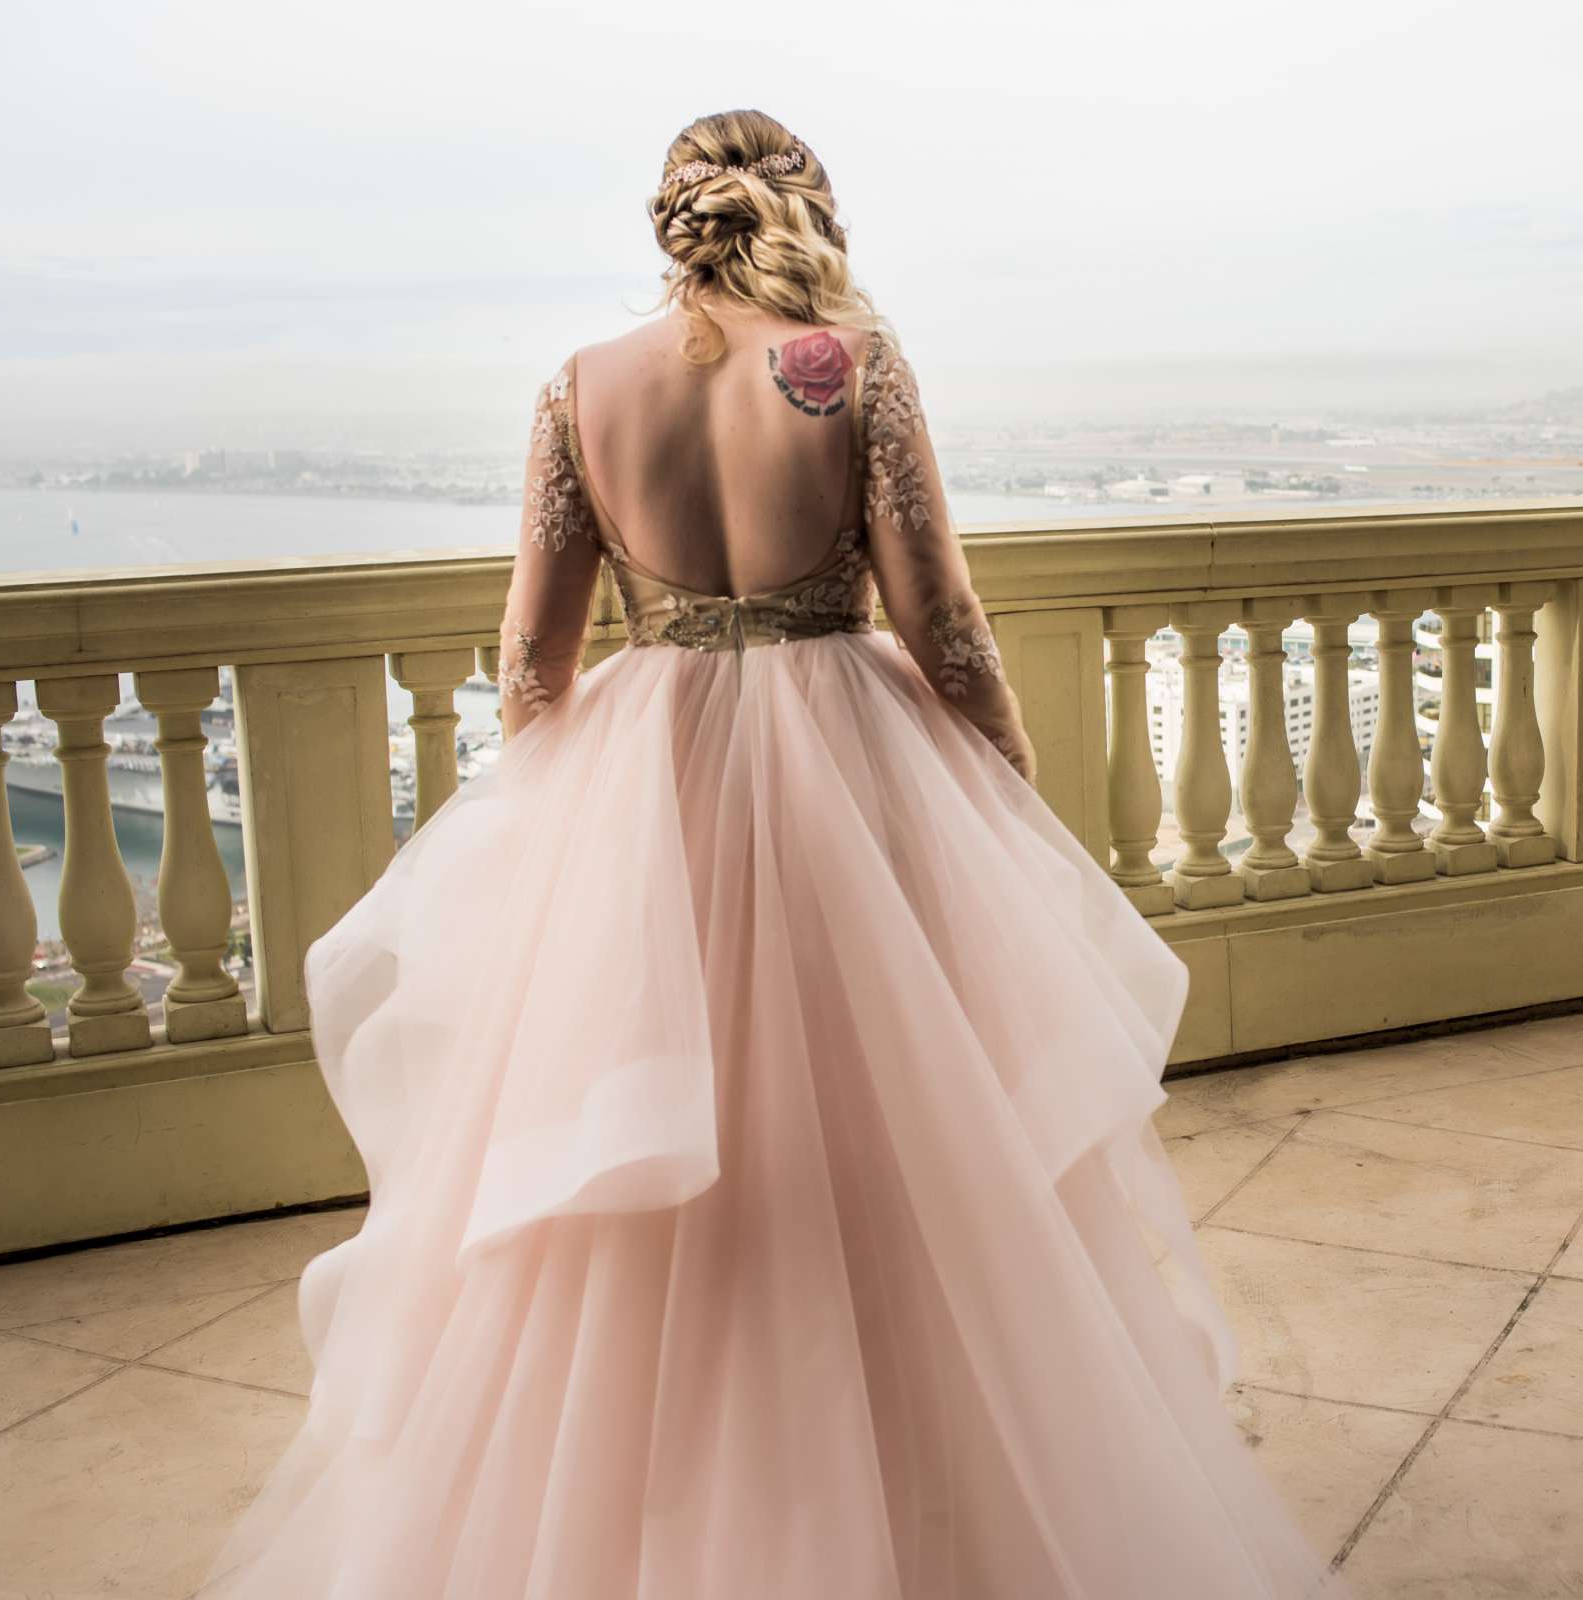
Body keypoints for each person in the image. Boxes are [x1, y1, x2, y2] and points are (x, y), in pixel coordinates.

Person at [205, 109, 1337, 1599]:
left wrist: (562, 827)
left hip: (651, 769)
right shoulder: (854, 368)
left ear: (671, 219)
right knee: (893, 1126)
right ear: (806, 207)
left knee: (664, 1138)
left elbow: (533, 656)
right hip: (849, 775)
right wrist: (998, 767)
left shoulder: (578, 390)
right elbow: (938, 615)